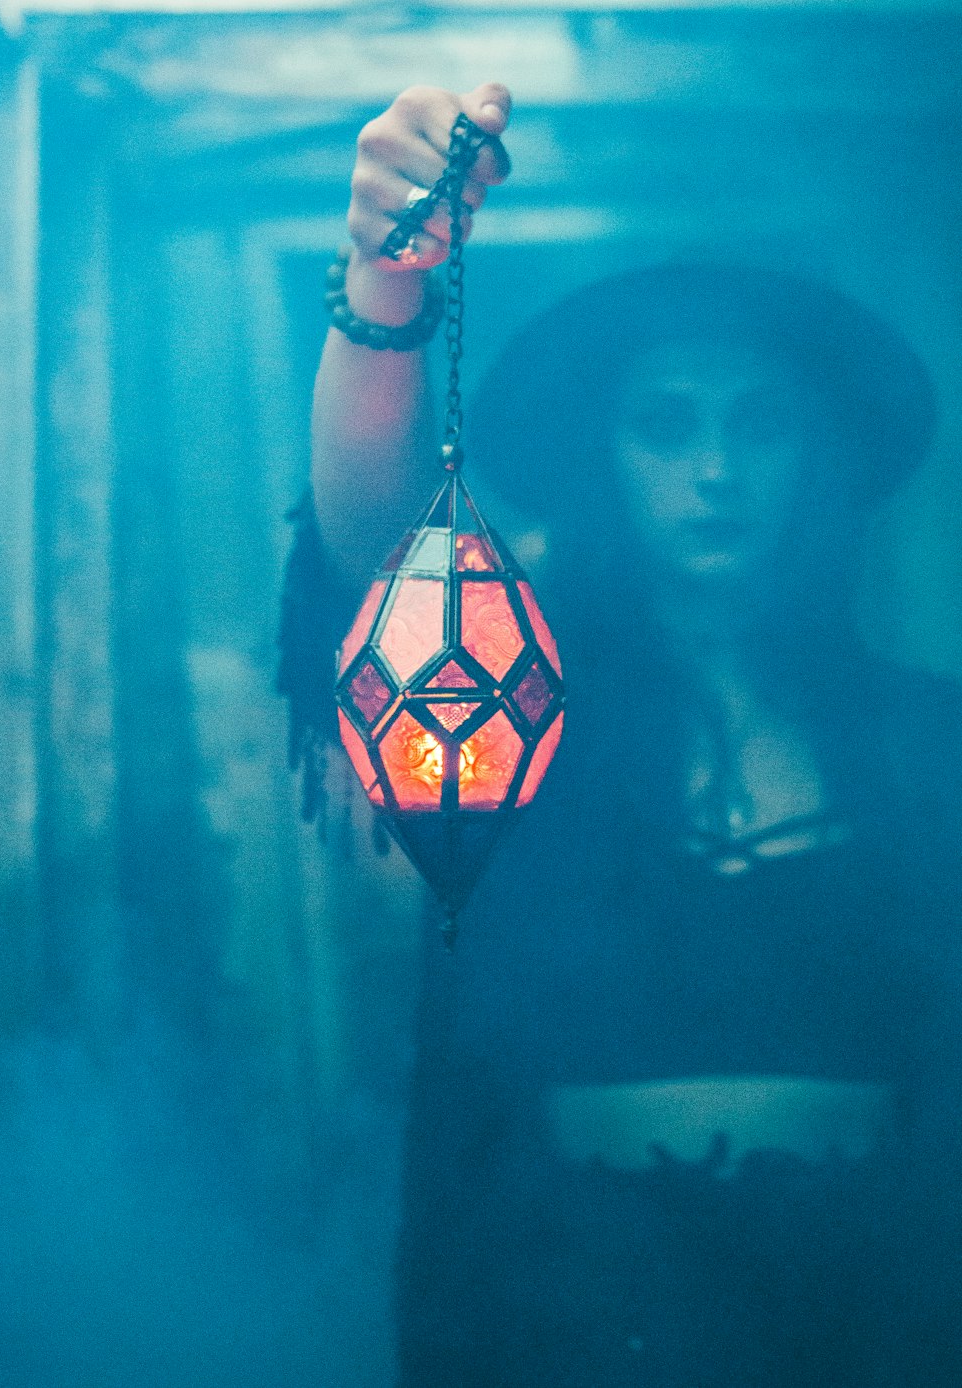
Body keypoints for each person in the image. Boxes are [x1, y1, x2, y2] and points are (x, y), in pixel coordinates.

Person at [280, 83, 962, 1386]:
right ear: (610, 460)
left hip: (882, 1319)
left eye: (758, 421)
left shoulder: (937, 751)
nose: (716, 469)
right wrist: (385, 284)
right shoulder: (519, 740)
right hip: (571, 1315)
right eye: (668, 423)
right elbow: (374, 575)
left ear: (821, 457)